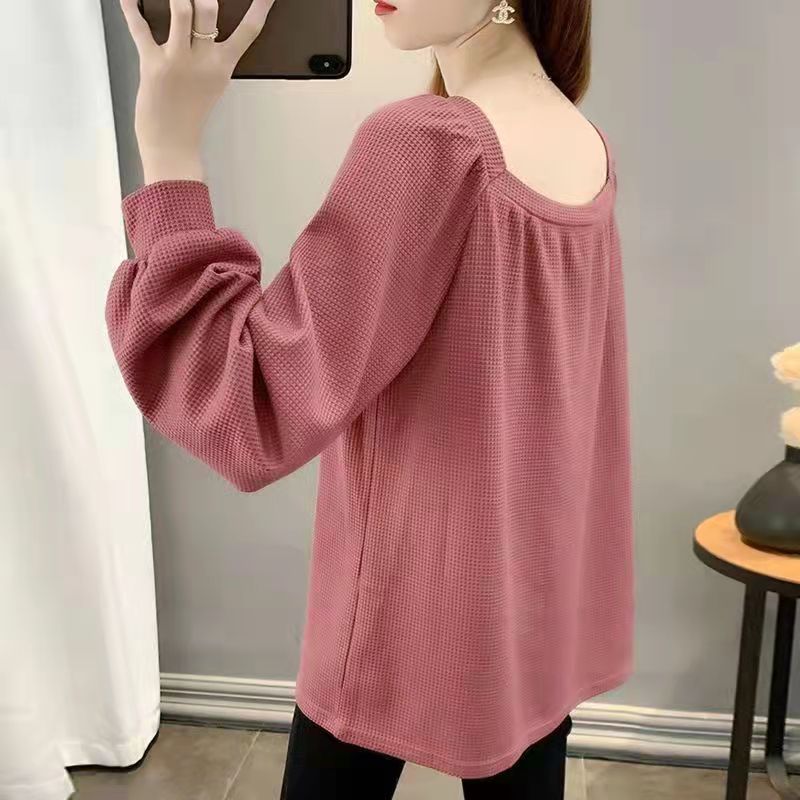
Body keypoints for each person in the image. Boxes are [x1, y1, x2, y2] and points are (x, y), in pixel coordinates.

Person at [112, 0, 634, 797]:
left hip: (399, 600)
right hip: (531, 598)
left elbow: (250, 400)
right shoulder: (582, 138)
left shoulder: (428, 141)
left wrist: (169, 143)